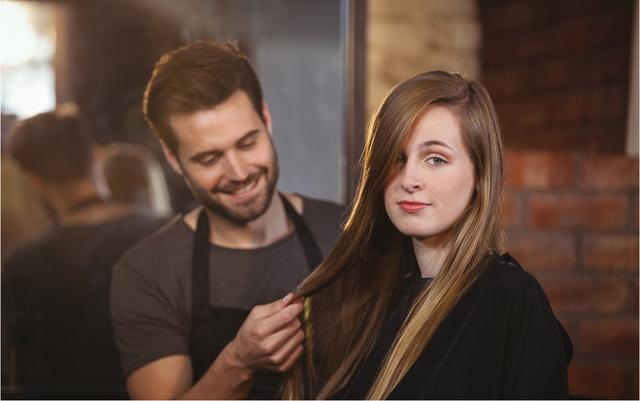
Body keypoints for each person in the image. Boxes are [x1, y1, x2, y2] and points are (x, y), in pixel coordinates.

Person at [282, 71, 573, 399]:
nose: (409, 179)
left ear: (480, 175)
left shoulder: (509, 298)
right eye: (397, 157)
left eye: (435, 159)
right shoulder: (367, 296)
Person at [109, 41, 345, 400]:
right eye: (209, 159)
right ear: (174, 160)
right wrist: (239, 361)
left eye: (248, 143)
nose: (238, 172)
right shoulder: (147, 272)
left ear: (266, 119)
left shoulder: (346, 231)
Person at [1, 106, 166, 398]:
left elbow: (21, 381)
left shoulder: (24, 266)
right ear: (94, 155)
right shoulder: (165, 234)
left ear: (33, 178)